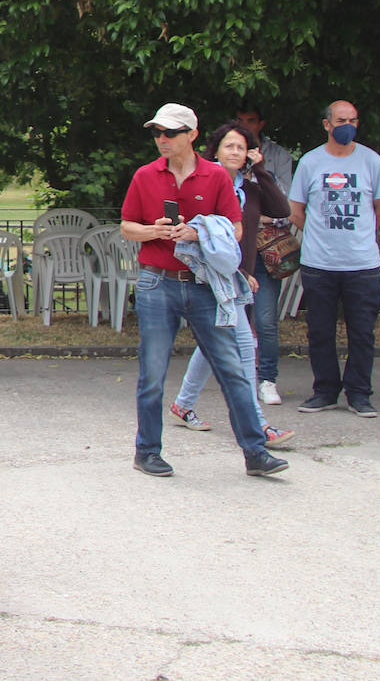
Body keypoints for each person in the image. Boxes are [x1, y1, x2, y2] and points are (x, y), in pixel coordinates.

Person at [119, 103, 287, 478]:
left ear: (192, 135)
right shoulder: (146, 175)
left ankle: (256, 452)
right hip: (156, 281)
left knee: (232, 368)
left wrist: (198, 232)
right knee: (152, 372)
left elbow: (237, 229)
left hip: (204, 283)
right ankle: (147, 451)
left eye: (170, 133)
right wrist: (154, 231)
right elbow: (127, 226)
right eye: (158, 132)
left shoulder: (215, 176)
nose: (162, 139)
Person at [169, 121, 295, 447]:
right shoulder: (206, 184)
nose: (236, 152)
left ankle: (183, 404)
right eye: (230, 146)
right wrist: (237, 272)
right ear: (216, 150)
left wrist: (262, 169)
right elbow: (200, 232)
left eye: (242, 147)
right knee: (245, 346)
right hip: (213, 277)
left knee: (213, 343)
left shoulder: (251, 187)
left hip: (239, 278)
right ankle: (259, 425)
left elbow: (282, 210)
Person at [290, 99, 380, 419]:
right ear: (327, 124)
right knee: (320, 330)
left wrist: (358, 234)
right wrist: (321, 233)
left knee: (362, 332)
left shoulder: (371, 161)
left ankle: (359, 393)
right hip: (319, 263)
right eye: (341, 120)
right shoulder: (310, 162)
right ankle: (326, 391)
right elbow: (296, 210)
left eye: (353, 120)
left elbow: (378, 208)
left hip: (362, 264)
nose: (347, 126)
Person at [235, 105, 295, 405]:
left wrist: (252, 215)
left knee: (266, 319)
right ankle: (239, 378)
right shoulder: (227, 155)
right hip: (234, 252)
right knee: (233, 319)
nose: (246, 127)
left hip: (266, 252)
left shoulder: (278, 156)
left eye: (251, 122)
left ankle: (267, 378)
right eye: (240, 122)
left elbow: (283, 210)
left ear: (261, 124)